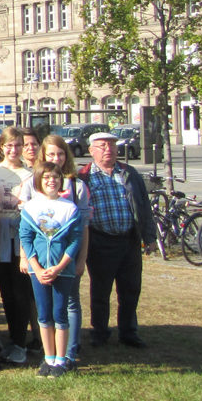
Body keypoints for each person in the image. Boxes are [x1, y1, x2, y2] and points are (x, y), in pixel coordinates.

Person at [18, 133, 91, 369]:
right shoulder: (32, 200)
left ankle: (65, 356)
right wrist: (33, 265)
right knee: (44, 314)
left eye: (60, 154)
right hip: (38, 267)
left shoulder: (72, 199)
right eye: (51, 154)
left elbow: (78, 235)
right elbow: (25, 235)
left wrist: (69, 264)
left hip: (64, 266)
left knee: (65, 310)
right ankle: (49, 358)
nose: (56, 158)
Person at [76, 131, 153, 349]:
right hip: (100, 241)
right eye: (101, 146)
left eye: (111, 145)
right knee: (100, 290)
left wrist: (149, 237)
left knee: (131, 289)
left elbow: (143, 205)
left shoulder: (129, 173)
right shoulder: (85, 176)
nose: (108, 149)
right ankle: (99, 332)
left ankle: (129, 331)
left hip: (129, 240)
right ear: (91, 150)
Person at [0, 127, 34, 365]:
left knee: (18, 294)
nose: (13, 150)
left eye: (18, 145)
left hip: (18, 243)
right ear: (1, 147)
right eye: (9, 145)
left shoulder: (29, 175)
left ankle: (19, 342)